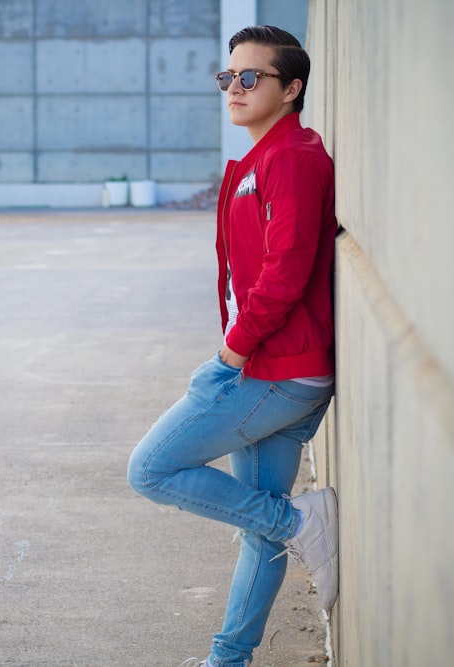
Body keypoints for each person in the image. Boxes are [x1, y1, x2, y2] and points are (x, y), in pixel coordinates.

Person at [127, 25, 339, 667]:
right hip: (270, 363)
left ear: (292, 87)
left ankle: (303, 524)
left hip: (278, 369)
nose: (236, 88)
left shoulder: (296, 157)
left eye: (253, 77)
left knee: (152, 469)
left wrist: (231, 354)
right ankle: (230, 658)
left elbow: (286, 271)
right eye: (229, 77)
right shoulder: (256, 160)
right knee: (256, 528)